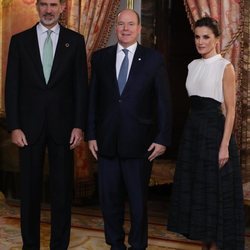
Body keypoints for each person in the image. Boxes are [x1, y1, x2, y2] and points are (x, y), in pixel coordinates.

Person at [4, 0, 88, 249]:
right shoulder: (20, 41)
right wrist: (14, 126)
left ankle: (59, 245)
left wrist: (78, 125)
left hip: (64, 129)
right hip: (28, 130)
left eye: (54, 4)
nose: (48, 10)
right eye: (44, 4)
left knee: (62, 193)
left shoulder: (75, 41)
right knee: (29, 193)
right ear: (37, 7)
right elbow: (11, 87)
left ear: (62, 7)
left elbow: (81, 88)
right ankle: (30, 245)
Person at [87, 9, 172, 250]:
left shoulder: (154, 59)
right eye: (121, 24)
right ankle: (115, 244)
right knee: (109, 200)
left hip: (140, 144)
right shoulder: (100, 58)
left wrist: (163, 138)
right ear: (116, 28)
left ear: (138, 29)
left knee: (137, 202)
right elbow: (93, 99)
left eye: (131, 24)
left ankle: (137, 245)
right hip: (106, 142)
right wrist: (91, 134)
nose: (125, 28)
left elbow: (163, 102)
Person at [167, 16, 245, 250]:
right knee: (198, 189)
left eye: (206, 37)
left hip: (215, 133)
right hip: (193, 132)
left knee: (214, 191)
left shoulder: (225, 67)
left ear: (217, 40)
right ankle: (204, 244)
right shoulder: (192, 65)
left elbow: (230, 111)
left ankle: (216, 245)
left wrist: (224, 146)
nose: (200, 42)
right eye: (197, 37)